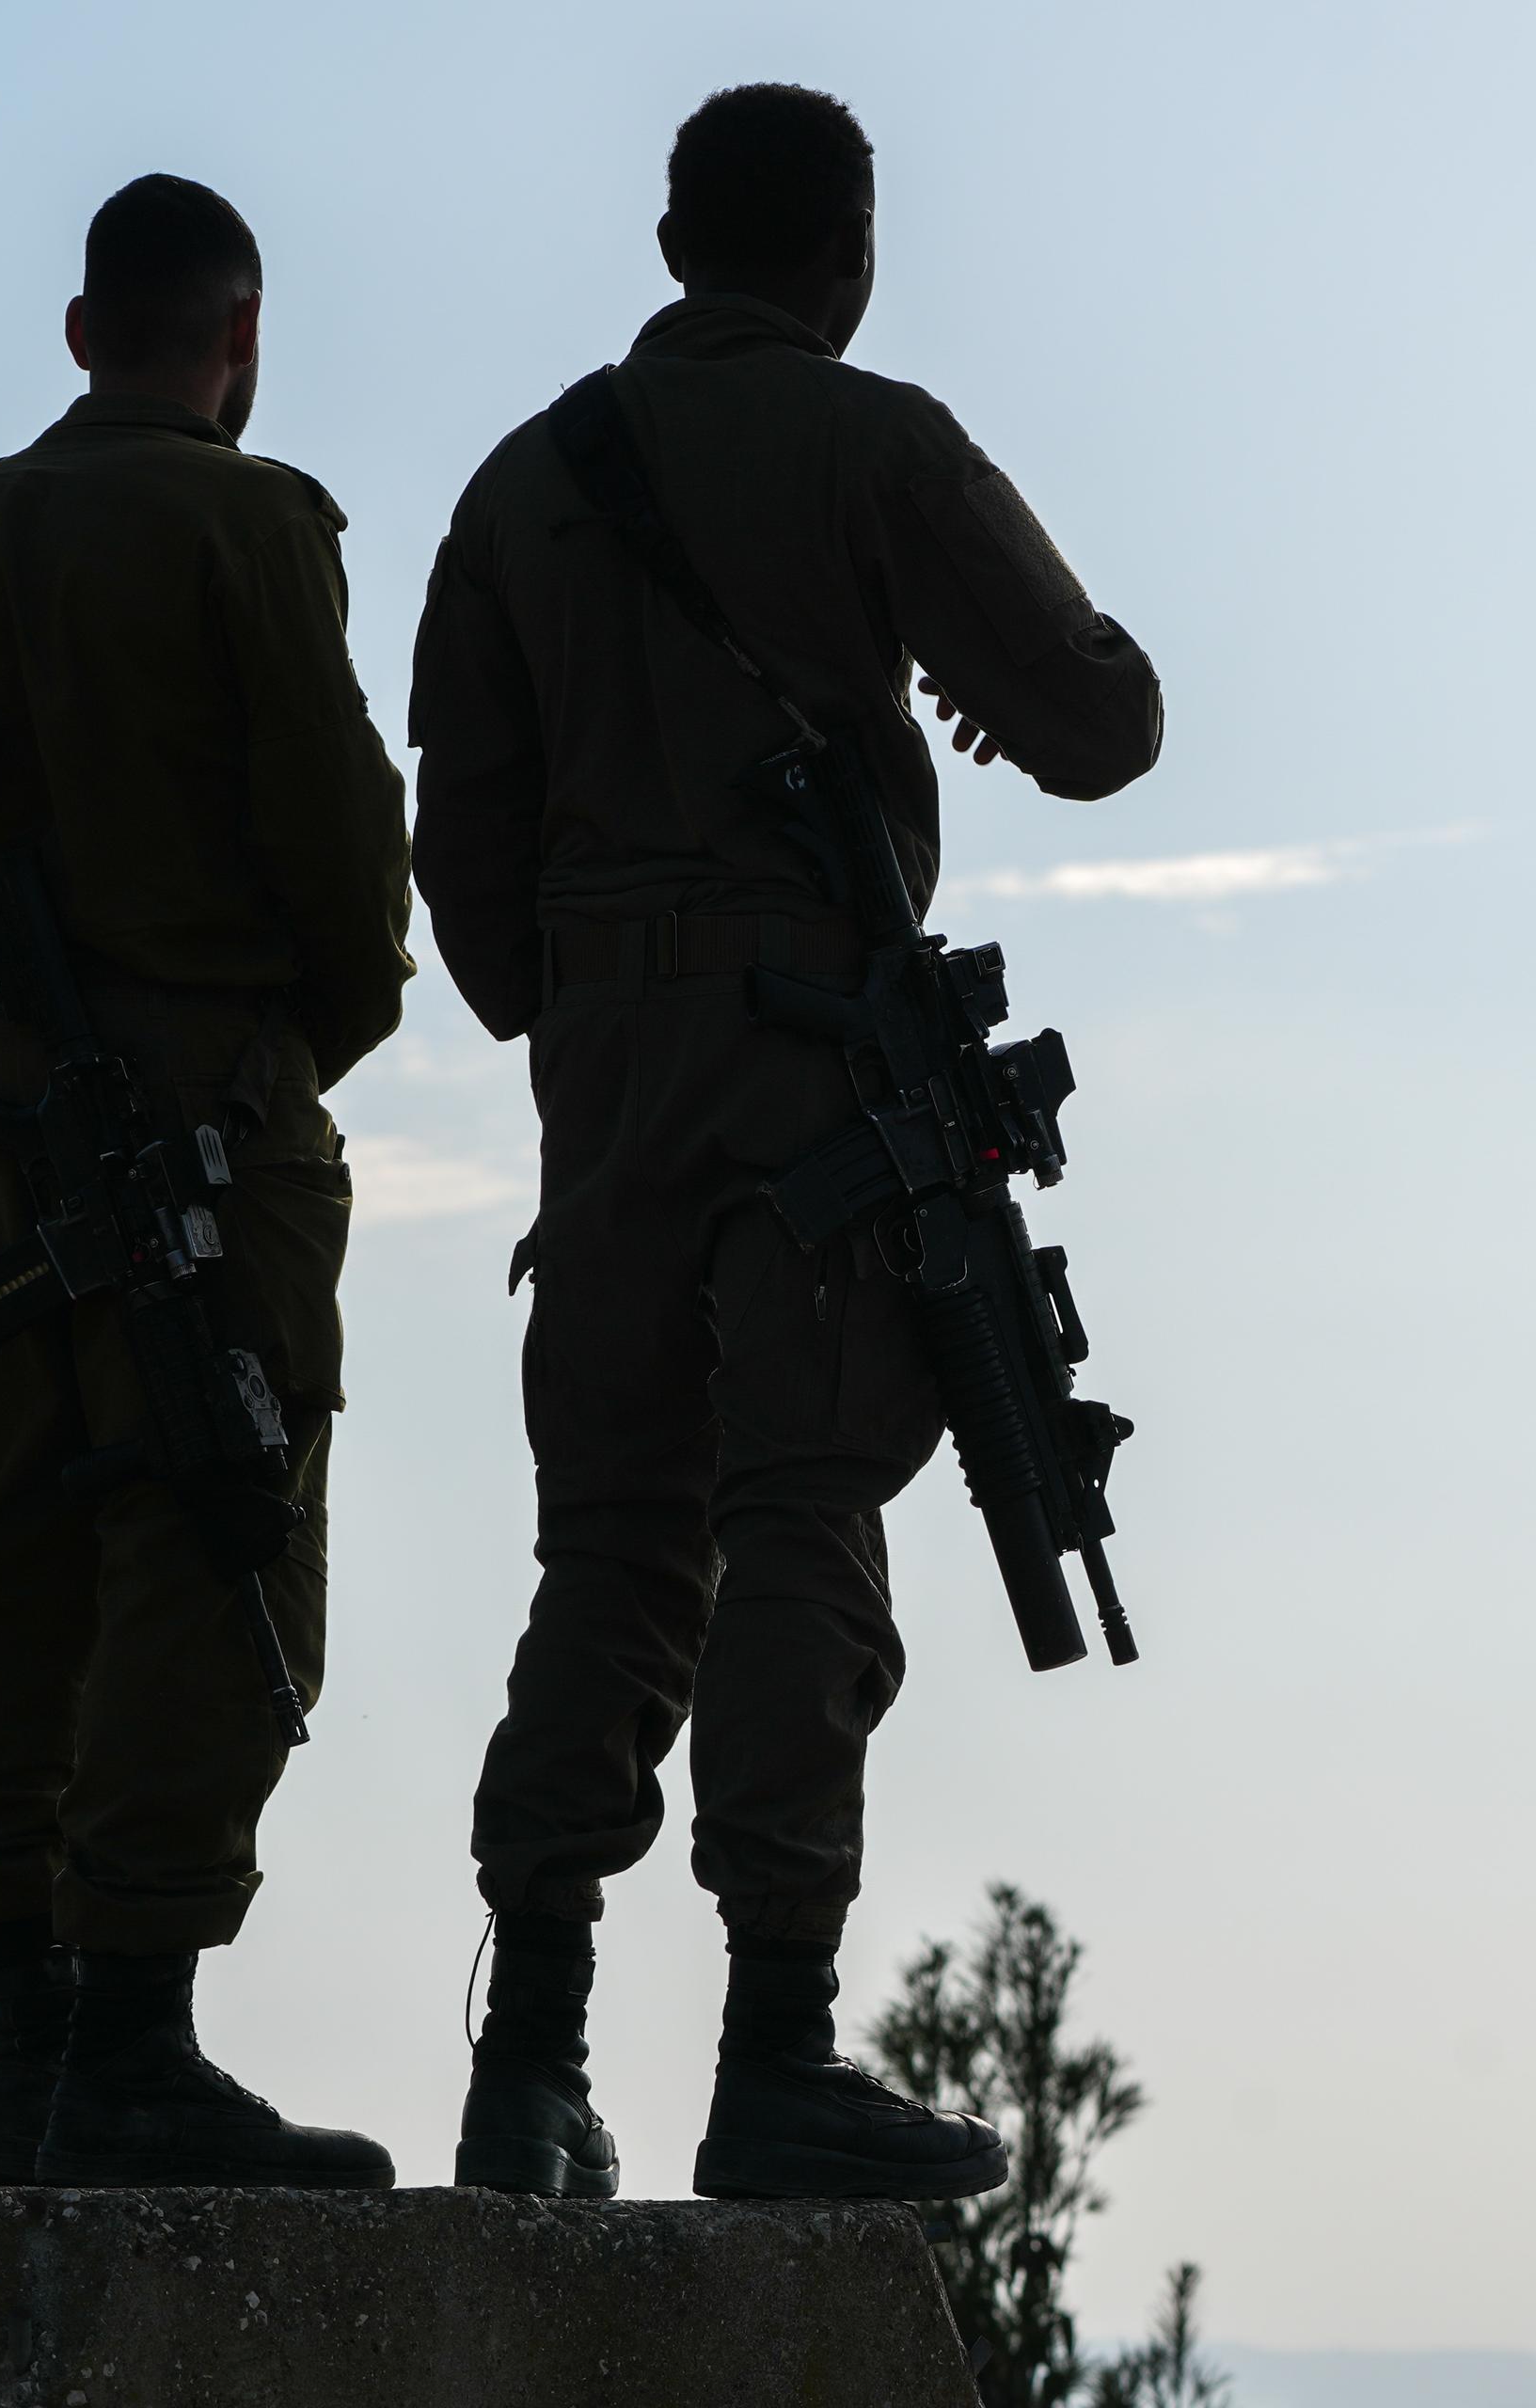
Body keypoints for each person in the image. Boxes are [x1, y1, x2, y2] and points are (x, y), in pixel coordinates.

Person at [409, 81, 1164, 2200]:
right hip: (806, 1060)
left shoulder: (520, 489)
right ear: (846, 256)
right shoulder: (874, 443)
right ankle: (777, 2055)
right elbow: (1105, 720)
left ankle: (531, 2054)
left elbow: (459, 857)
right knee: (803, 1507)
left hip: (608, 1087)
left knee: (619, 1540)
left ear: (673, 249)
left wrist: (592, 1000)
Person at [0, 174, 412, 2188]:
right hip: (210, 1126)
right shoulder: (254, 526)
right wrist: (260, 1045)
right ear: (237, 343)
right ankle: (139, 2046)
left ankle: (27, 2051)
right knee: (219, 1541)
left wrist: (16, 1036)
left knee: (0, 1568)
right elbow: (352, 868)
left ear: (84, 331)